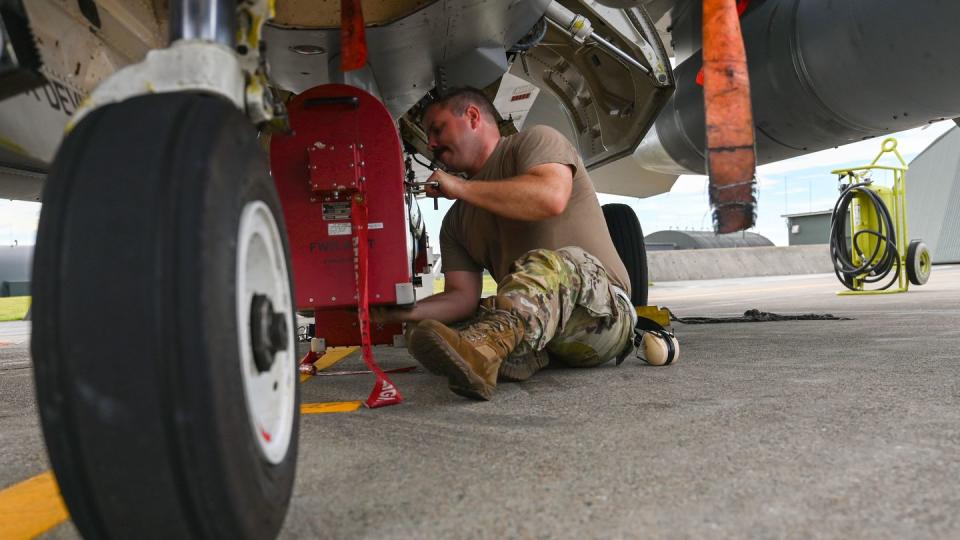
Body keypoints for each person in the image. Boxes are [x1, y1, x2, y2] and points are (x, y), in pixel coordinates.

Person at [377, 86, 638, 400]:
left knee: (550, 263)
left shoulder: (535, 141)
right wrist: (400, 312)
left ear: (473, 117)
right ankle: (510, 354)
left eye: (437, 129)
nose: (430, 143)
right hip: (544, 329)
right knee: (428, 327)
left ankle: (486, 353)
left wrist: (460, 188)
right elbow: (461, 298)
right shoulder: (456, 223)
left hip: (600, 317)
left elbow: (550, 198)